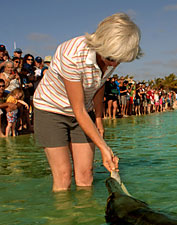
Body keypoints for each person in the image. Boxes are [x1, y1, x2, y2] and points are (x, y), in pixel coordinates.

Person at [33, 13, 142, 191]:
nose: (114, 65)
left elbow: (99, 84)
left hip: (83, 110)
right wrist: (104, 148)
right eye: (112, 59)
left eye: (120, 61)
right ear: (101, 43)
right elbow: (78, 110)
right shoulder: (71, 55)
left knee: (85, 175)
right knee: (63, 176)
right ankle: (63, 217)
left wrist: (99, 119)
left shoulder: (111, 59)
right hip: (51, 110)